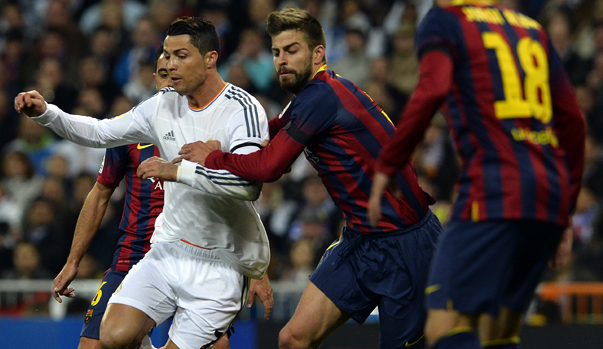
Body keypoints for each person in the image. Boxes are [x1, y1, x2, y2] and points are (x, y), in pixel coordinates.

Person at [176, 8, 442, 349]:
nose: (281, 60)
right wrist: (224, 143)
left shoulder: (321, 98)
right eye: (276, 52)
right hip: (362, 241)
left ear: (318, 53)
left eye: (292, 50)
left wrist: (212, 157)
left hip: (407, 245)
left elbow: (270, 166)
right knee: (293, 339)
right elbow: (267, 134)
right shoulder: (311, 97)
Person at [16, 17, 273, 349]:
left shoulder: (243, 110)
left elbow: (248, 185)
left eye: (180, 55)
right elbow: (99, 131)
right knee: (112, 336)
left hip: (219, 264)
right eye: (166, 55)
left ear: (210, 58)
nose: (169, 64)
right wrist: (48, 112)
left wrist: (176, 171)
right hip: (167, 250)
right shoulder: (161, 106)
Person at [368, 1, 585, 349]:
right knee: (497, 333)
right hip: (550, 194)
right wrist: (567, 210)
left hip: (494, 188)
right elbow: (573, 121)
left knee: (444, 330)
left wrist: (389, 162)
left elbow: (432, 89)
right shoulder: (530, 28)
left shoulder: (445, 21)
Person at [50, 45, 230, 349]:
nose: (171, 80)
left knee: (218, 345)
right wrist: (73, 261)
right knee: (92, 346)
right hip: (133, 256)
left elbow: (238, 196)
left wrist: (255, 269)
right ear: (154, 80)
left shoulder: (212, 129)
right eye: (163, 74)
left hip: (195, 257)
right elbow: (99, 195)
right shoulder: (131, 128)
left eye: (177, 72)